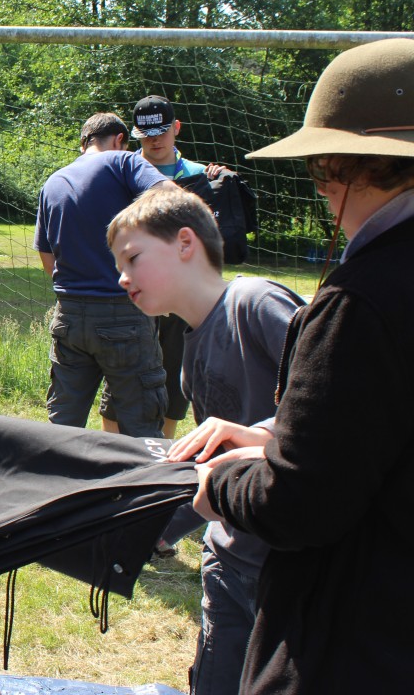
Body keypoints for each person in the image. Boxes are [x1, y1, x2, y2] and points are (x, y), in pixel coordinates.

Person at [172, 37, 414, 694]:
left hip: (361, 641)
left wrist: (224, 482)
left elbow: (301, 504)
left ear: (337, 169)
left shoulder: (362, 302)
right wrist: (281, 438)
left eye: (320, 173)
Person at [107, 187, 303, 695]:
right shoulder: (191, 351)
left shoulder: (254, 302)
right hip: (227, 560)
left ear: (185, 243)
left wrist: (263, 432)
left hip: (287, 567)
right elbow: (207, 468)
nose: (121, 277)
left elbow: (337, 400)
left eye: (132, 258)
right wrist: (154, 529)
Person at [32, 112, 174, 438]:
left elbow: (46, 255)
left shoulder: (53, 182)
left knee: (62, 425)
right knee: (142, 425)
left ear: (83, 143)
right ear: (120, 139)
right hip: (124, 313)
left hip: (68, 316)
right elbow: (171, 197)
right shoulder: (124, 162)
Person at [102, 96, 229, 439]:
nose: (155, 140)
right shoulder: (121, 172)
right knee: (125, 368)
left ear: (177, 128)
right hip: (134, 290)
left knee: (174, 366)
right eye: (146, 135)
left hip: (182, 291)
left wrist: (217, 181)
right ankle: (110, 446)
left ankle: (165, 446)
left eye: (161, 132)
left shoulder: (199, 176)